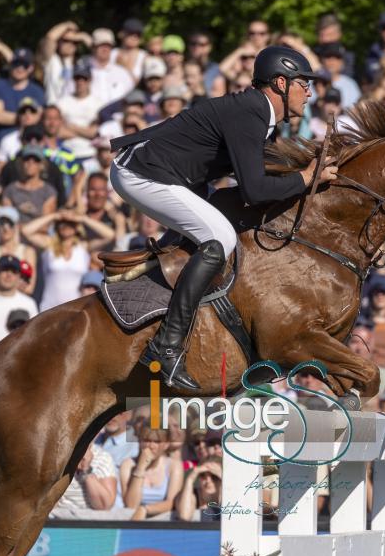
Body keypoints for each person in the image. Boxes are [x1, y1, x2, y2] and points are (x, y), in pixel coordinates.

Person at [109, 44, 337, 390]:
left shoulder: (261, 117)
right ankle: (166, 348)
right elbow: (257, 191)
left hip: (168, 174)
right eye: (303, 83)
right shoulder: (251, 112)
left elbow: (258, 182)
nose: (309, 92)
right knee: (220, 238)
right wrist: (305, 179)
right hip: (142, 173)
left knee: (222, 225)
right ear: (280, 83)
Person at [21, 212, 90, 311]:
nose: (66, 225)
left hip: (76, 310)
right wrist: (53, 216)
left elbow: (110, 235)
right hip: (49, 309)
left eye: (70, 223)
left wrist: (82, 218)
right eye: (61, 223)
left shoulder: (83, 247)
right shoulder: (49, 245)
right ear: (57, 226)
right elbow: (25, 231)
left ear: (76, 227)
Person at [119, 424, 184, 520]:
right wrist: (141, 467)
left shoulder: (174, 466)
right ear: (140, 441)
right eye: (147, 440)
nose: (151, 446)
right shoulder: (128, 465)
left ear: (166, 444)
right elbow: (131, 505)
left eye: (157, 442)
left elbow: (172, 503)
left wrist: (145, 509)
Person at [0, 48, 45, 145]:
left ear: (31, 68)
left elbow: (38, 117)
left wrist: (13, 117)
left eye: (24, 65)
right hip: (1, 140)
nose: (20, 68)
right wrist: (25, 118)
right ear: (10, 65)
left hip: (29, 142)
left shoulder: (37, 91)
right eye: (16, 64)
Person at [2, 145, 57, 225]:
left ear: (41, 165)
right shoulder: (10, 190)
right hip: (15, 234)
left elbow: (46, 224)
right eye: (26, 160)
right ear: (21, 163)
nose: (30, 163)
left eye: (35, 160)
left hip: (37, 234)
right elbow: (7, 220)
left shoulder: (48, 192)